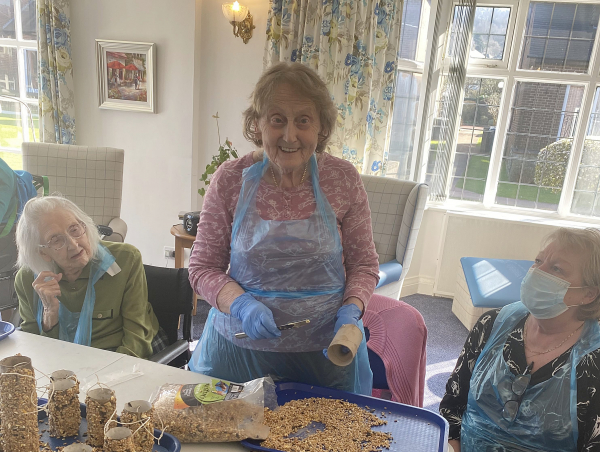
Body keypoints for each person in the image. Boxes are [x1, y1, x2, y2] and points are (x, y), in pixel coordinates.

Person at [188, 62, 380, 394]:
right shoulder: (230, 179)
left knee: (328, 442)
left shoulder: (343, 179)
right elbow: (203, 268)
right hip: (238, 351)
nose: (289, 135)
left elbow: (364, 265)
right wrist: (241, 305)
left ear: (321, 127)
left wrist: (351, 309)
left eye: (303, 121)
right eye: (277, 120)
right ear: (257, 124)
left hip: (327, 356)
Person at [438, 227, 600, 452]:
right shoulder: (492, 326)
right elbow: (451, 411)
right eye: (539, 261)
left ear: (589, 294)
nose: (538, 272)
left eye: (556, 269)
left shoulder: (593, 363)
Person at [15, 196, 167, 359]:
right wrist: (49, 313)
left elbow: (136, 339)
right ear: (43, 252)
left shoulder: (126, 260)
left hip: (118, 355)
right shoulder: (28, 280)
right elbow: (31, 349)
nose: (74, 245)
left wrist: (112, 377)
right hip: (61, 362)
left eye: (74, 229)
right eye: (56, 240)